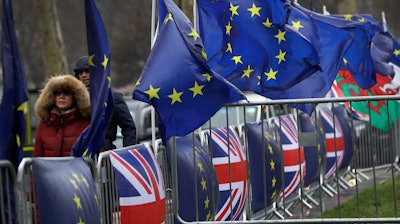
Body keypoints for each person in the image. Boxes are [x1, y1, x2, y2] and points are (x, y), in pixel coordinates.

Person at [73, 56, 137, 150]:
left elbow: (128, 127)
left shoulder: (112, 97)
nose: (84, 75)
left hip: (104, 153)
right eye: (80, 73)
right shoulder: (73, 98)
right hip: (79, 153)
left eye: (87, 71)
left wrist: (127, 153)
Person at [33, 74, 91, 157]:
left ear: (75, 96)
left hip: (75, 169)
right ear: (52, 97)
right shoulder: (45, 124)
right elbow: (37, 156)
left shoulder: (86, 124)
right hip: (50, 169)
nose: (61, 96)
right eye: (57, 93)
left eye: (66, 92)